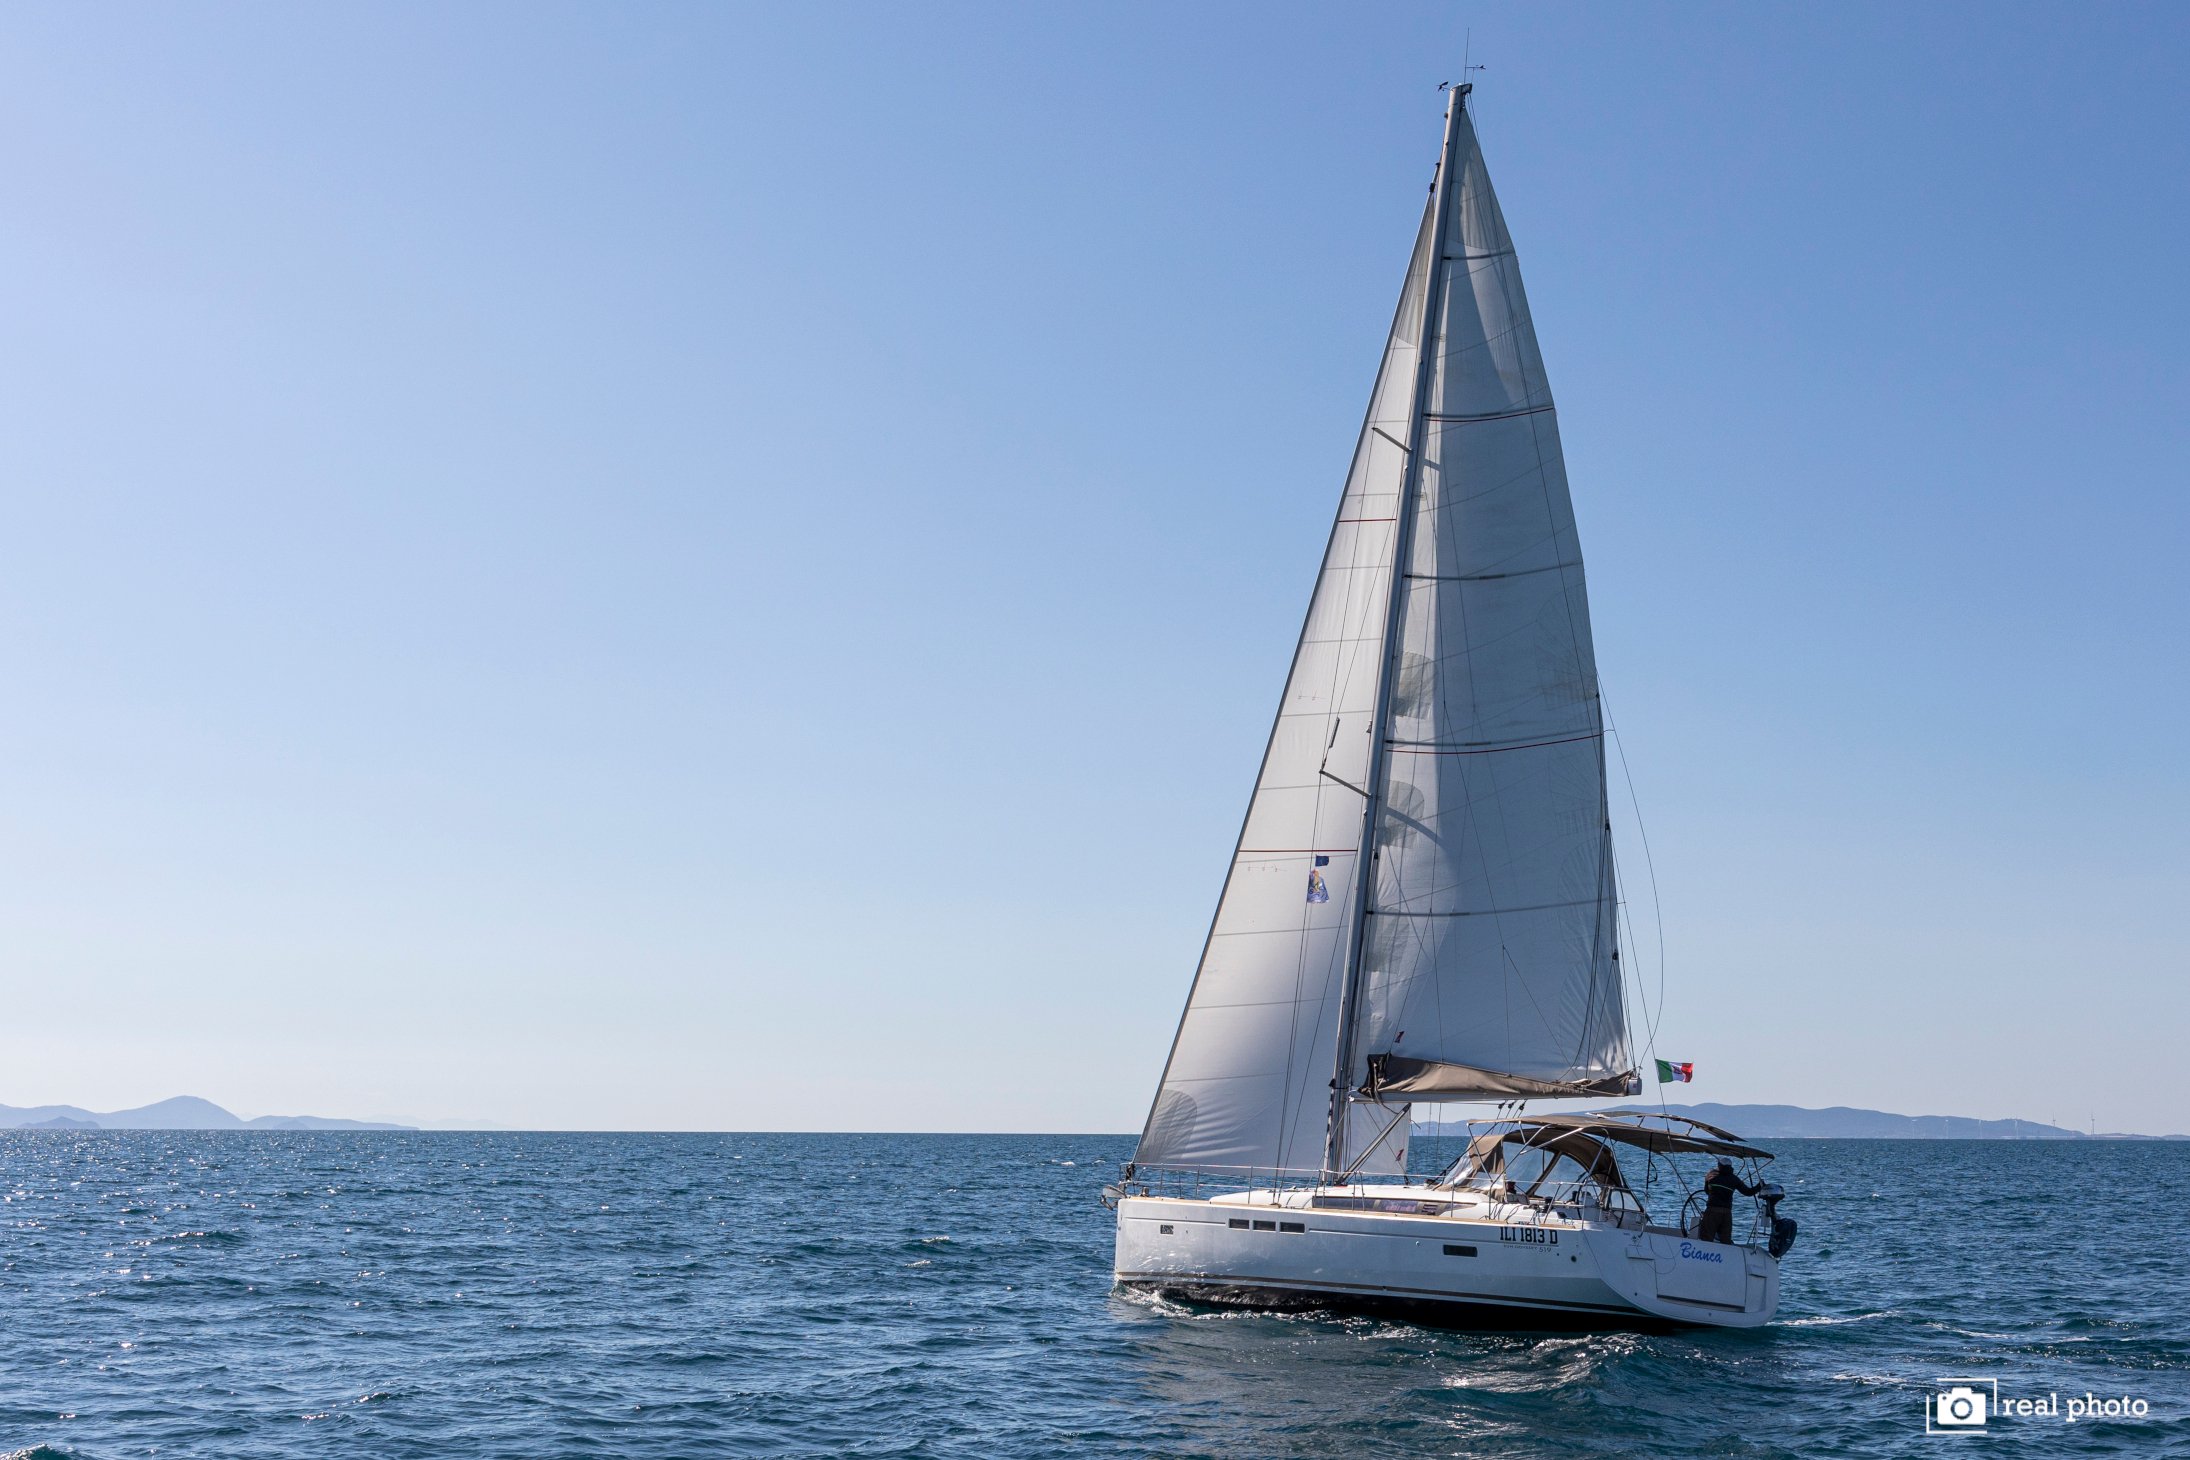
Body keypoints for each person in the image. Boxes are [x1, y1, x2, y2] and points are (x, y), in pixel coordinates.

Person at [1695, 1157, 1760, 1244]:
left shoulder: (1712, 1176)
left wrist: (1706, 1181)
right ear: (1730, 1167)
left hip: (1712, 1212)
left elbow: (1707, 1192)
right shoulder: (1734, 1179)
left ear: (1719, 1165)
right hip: (1726, 1214)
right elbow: (1748, 1192)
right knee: (1725, 1240)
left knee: (1706, 1238)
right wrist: (1759, 1186)